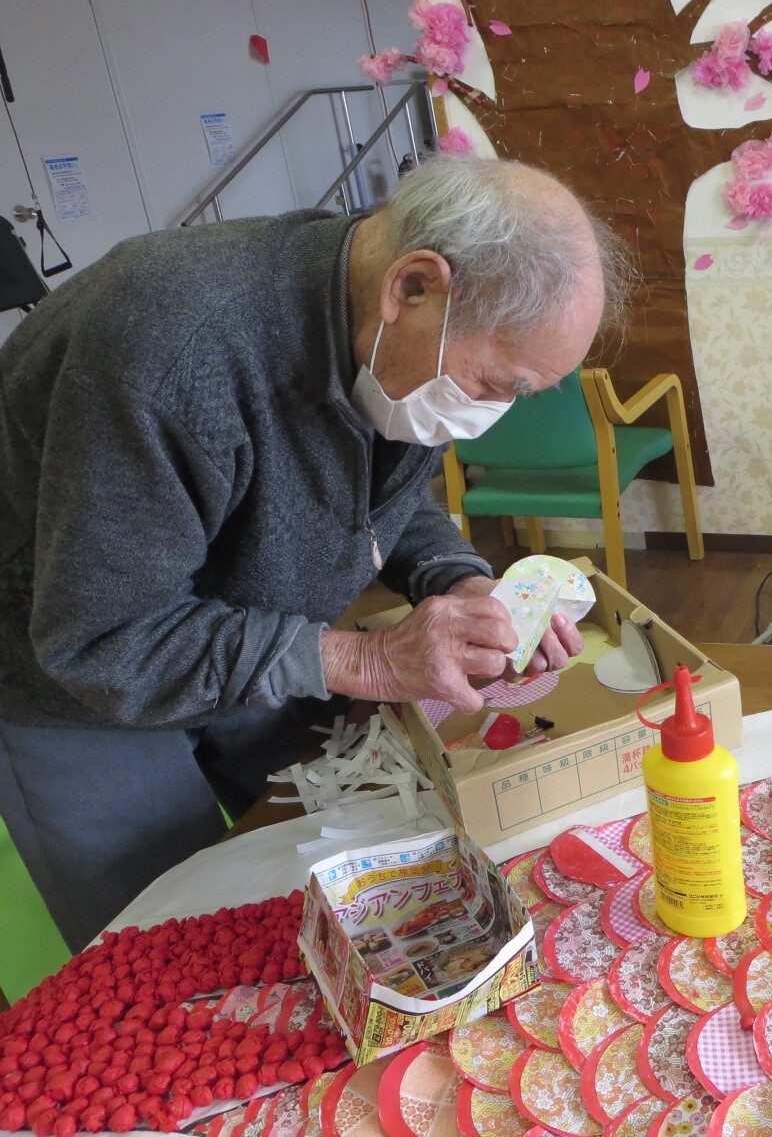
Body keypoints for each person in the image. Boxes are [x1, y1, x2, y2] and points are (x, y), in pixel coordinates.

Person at [0, 156, 630, 949]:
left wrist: (461, 580)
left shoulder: (388, 332)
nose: (493, 416)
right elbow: (102, 637)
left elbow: (383, 496)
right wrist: (364, 661)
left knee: (335, 864)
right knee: (170, 943)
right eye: (499, 384)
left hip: (250, 617)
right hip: (75, 673)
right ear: (412, 286)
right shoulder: (168, 351)